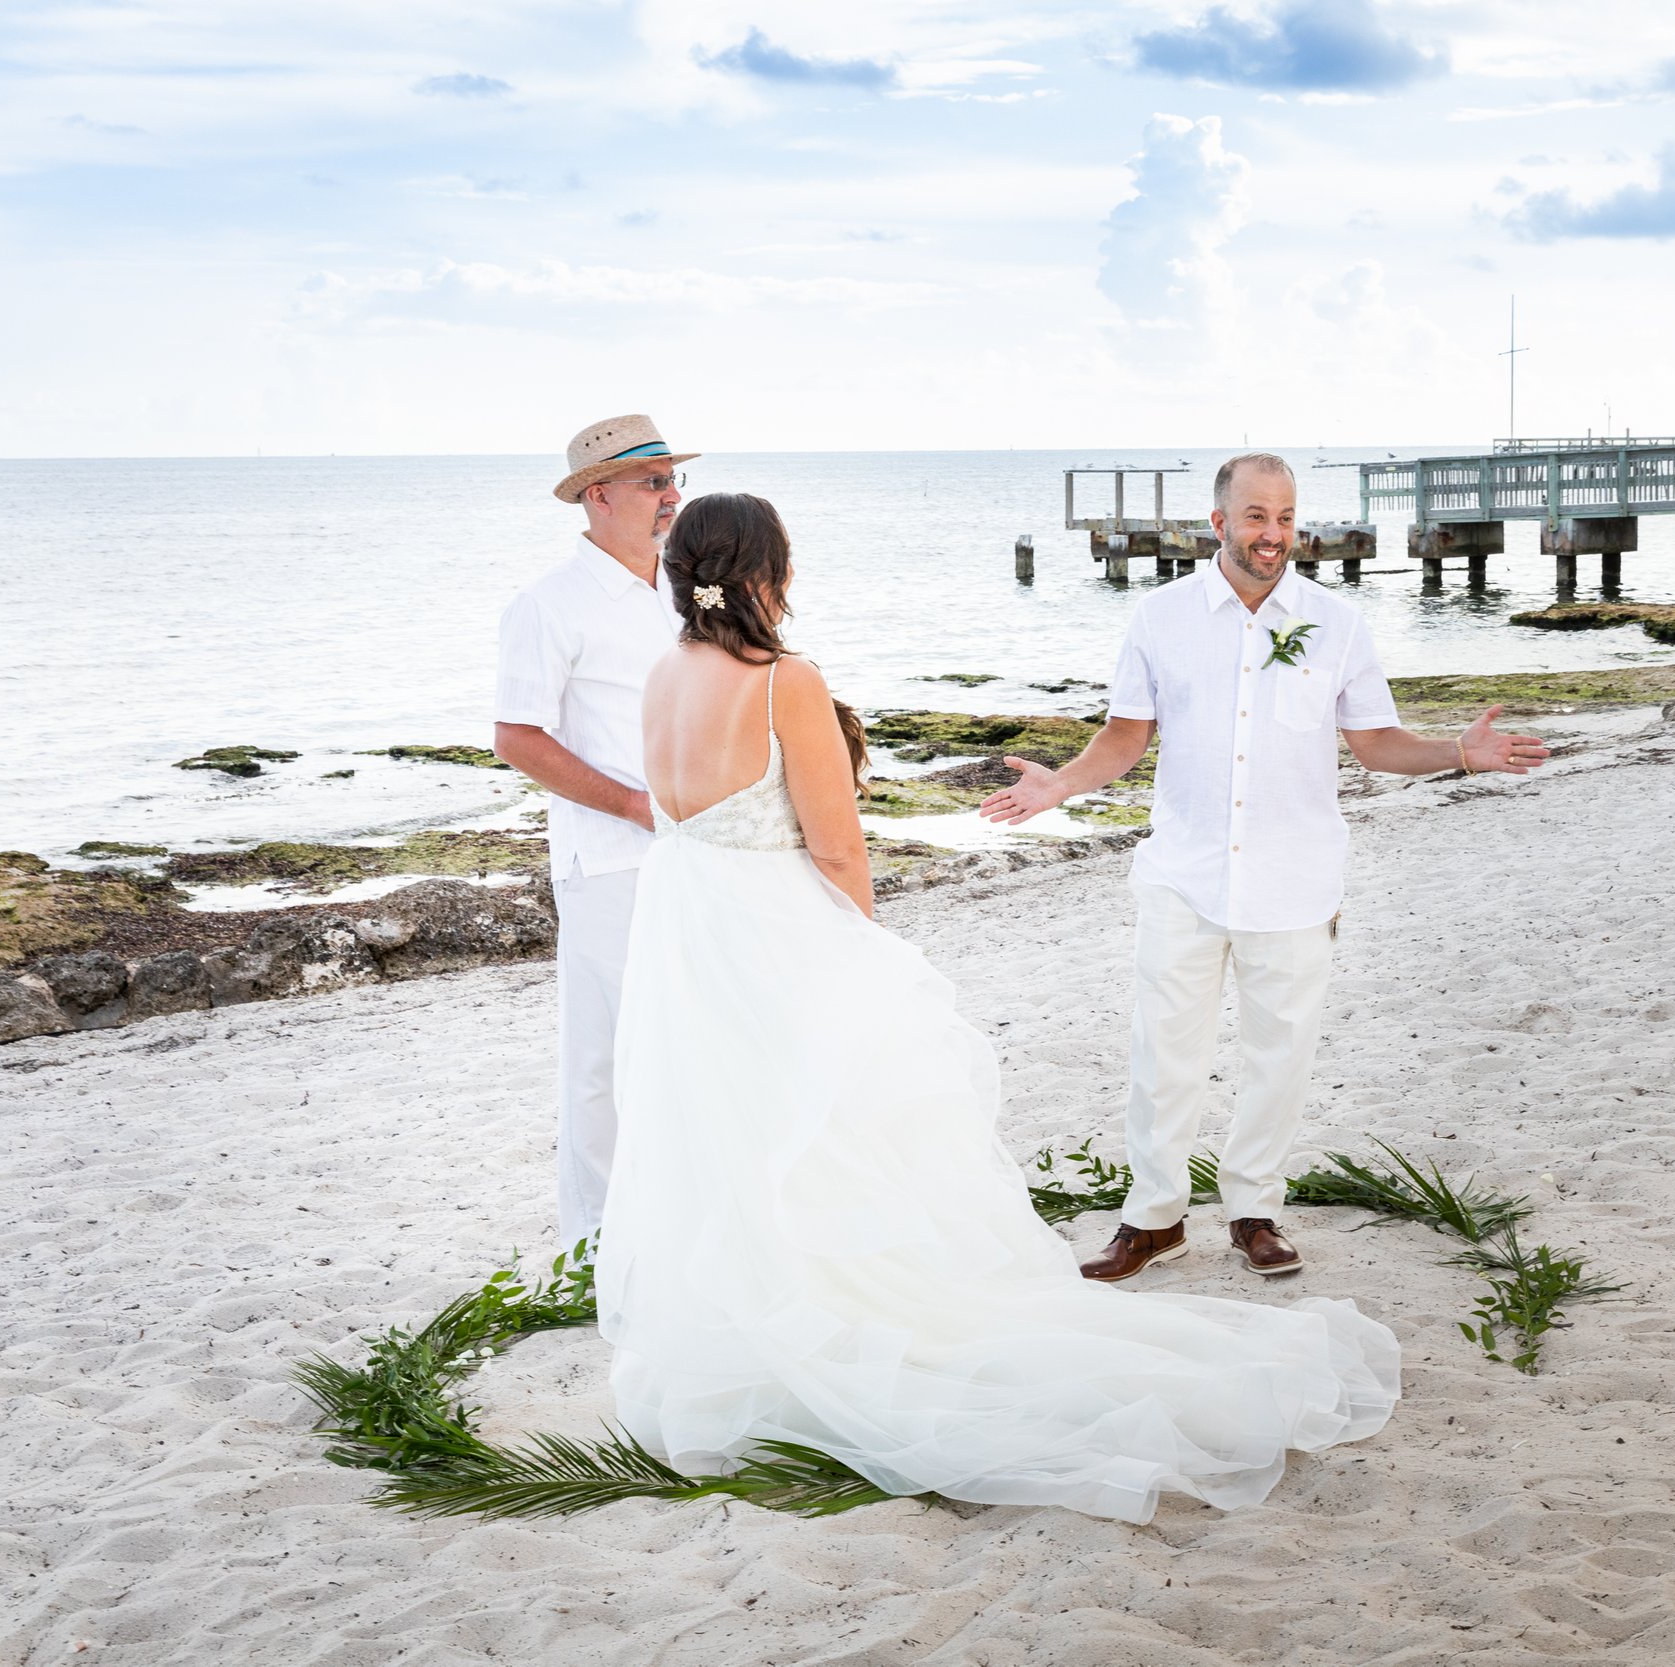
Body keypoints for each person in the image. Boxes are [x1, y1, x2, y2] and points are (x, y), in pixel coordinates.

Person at [594, 492, 1398, 1524]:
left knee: (742, 1136)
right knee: (842, 1133)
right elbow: (838, 845)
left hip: (691, 937)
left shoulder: (661, 675)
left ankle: (760, 1338)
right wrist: (860, 952)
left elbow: (675, 819)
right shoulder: (782, 679)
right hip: (777, 930)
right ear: (766, 571)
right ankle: (851, 1323)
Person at [980, 452, 1550, 1284]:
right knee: (1163, 1054)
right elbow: (1126, 734)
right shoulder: (1160, 617)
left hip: (1295, 879)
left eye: (1285, 518)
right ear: (1218, 523)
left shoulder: (1338, 622)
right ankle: (1154, 1220)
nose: (1273, 534)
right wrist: (1059, 785)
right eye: (1255, 517)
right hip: (1184, 872)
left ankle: (1254, 1210)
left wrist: (1457, 752)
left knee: (1279, 1055)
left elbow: (1376, 743)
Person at [493, 415, 694, 1254]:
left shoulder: (686, 589)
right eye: (653, 482)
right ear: (597, 495)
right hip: (609, 859)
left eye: (672, 480)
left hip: (701, 852)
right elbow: (517, 736)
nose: (672, 497)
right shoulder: (547, 605)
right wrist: (633, 806)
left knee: (688, 1039)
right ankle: (596, 1246)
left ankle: (681, 1225)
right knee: (604, 1061)